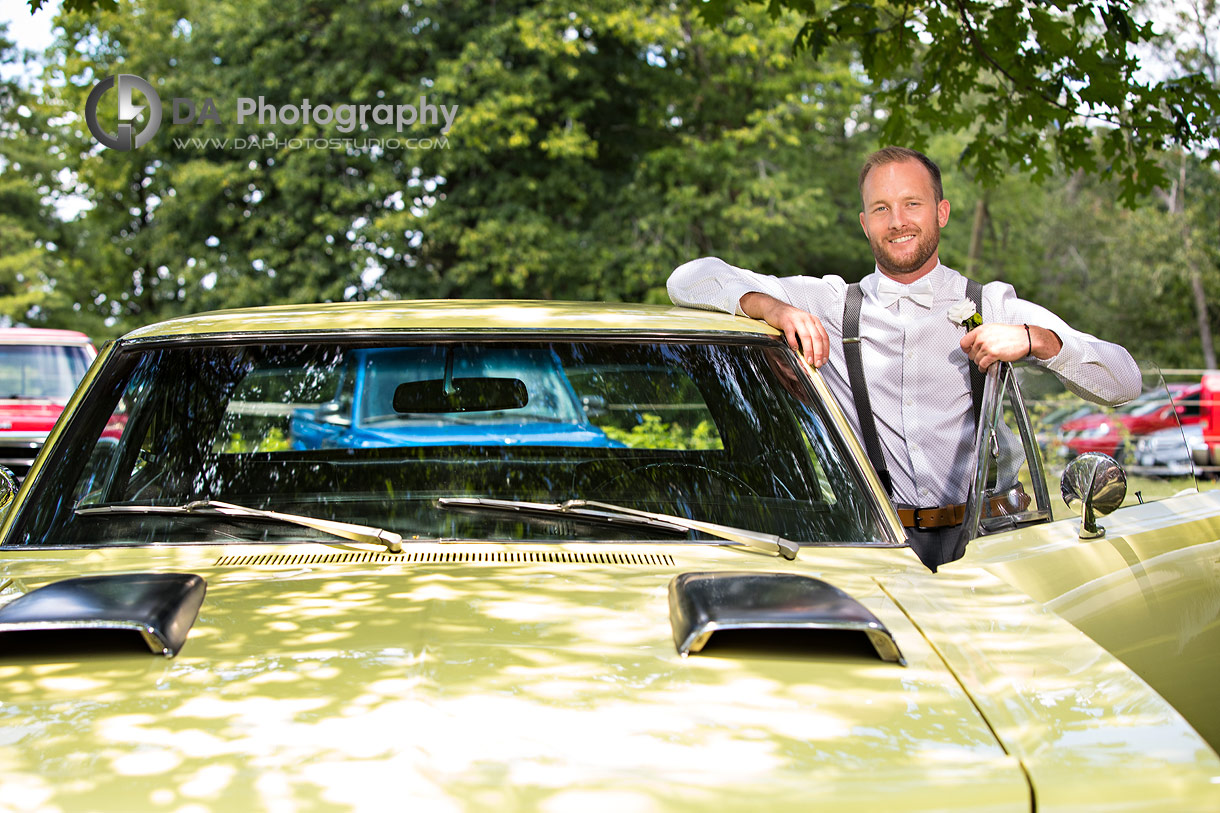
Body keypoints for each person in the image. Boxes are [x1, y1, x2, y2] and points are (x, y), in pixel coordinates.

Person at [668, 146, 1141, 569]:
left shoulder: (992, 304)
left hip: (994, 542)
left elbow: (1124, 381)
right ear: (864, 223)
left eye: (912, 204)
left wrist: (1036, 340)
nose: (898, 221)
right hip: (881, 547)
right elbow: (689, 278)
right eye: (882, 208)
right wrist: (772, 308)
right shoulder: (831, 305)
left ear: (941, 212)